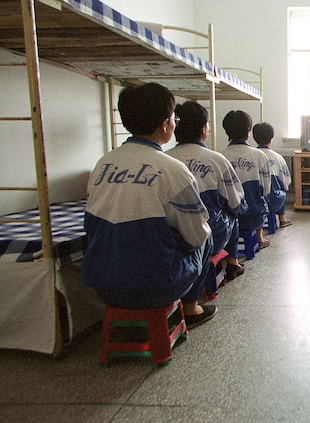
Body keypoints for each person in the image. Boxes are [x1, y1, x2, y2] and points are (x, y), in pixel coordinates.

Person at [82, 83, 216, 328]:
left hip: (104, 286)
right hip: (156, 287)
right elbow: (196, 234)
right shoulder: (173, 170)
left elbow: (89, 226)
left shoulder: (102, 165)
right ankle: (191, 308)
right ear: (165, 125)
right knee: (206, 237)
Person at [167, 101, 249, 281]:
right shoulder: (216, 160)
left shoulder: (164, 159)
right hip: (209, 236)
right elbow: (236, 202)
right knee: (232, 211)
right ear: (204, 129)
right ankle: (233, 262)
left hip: (169, 240)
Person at [219, 110, 272, 248]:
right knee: (260, 199)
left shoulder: (219, 156)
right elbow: (266, 191)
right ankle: (260, 238)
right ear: (249, 132)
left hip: (228, 220)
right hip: (254, 217)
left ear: (226, 131)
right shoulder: (259, 155)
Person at [252, 122, 293, 229]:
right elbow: (286, 182)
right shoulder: (278, 157)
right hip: (273, 201)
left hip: (253, 202)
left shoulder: (250, 157)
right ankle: (282, 219)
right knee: (281, 189)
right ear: (271, 138)